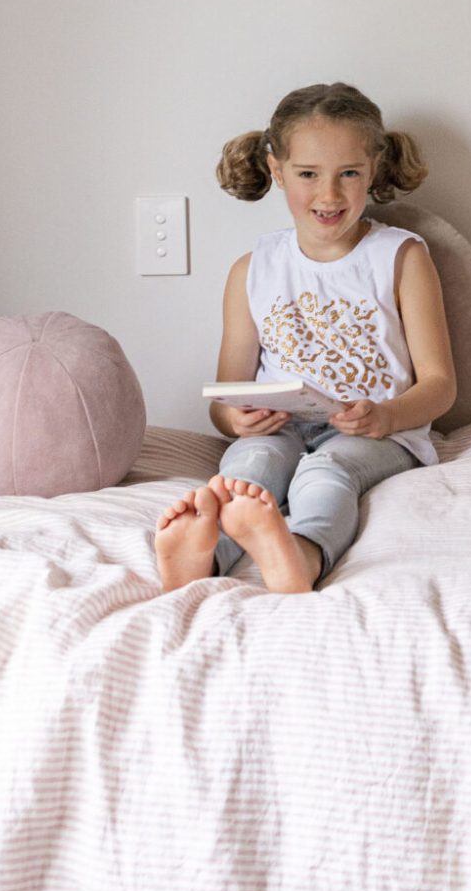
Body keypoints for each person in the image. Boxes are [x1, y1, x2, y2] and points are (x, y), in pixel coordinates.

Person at [155, 81, 455, 595]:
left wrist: (385, 416)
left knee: (329, 469)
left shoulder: (401, 257)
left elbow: (440, 385)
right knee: (252, 467)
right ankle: (204, 559)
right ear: (276, 171)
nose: (329, 195)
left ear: (374, 171)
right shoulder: (253, 269)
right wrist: (236, 418)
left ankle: (302, 553)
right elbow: (226, 395)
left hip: (375, 434)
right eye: (308, 174)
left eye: (349, 174)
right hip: (281, 427)